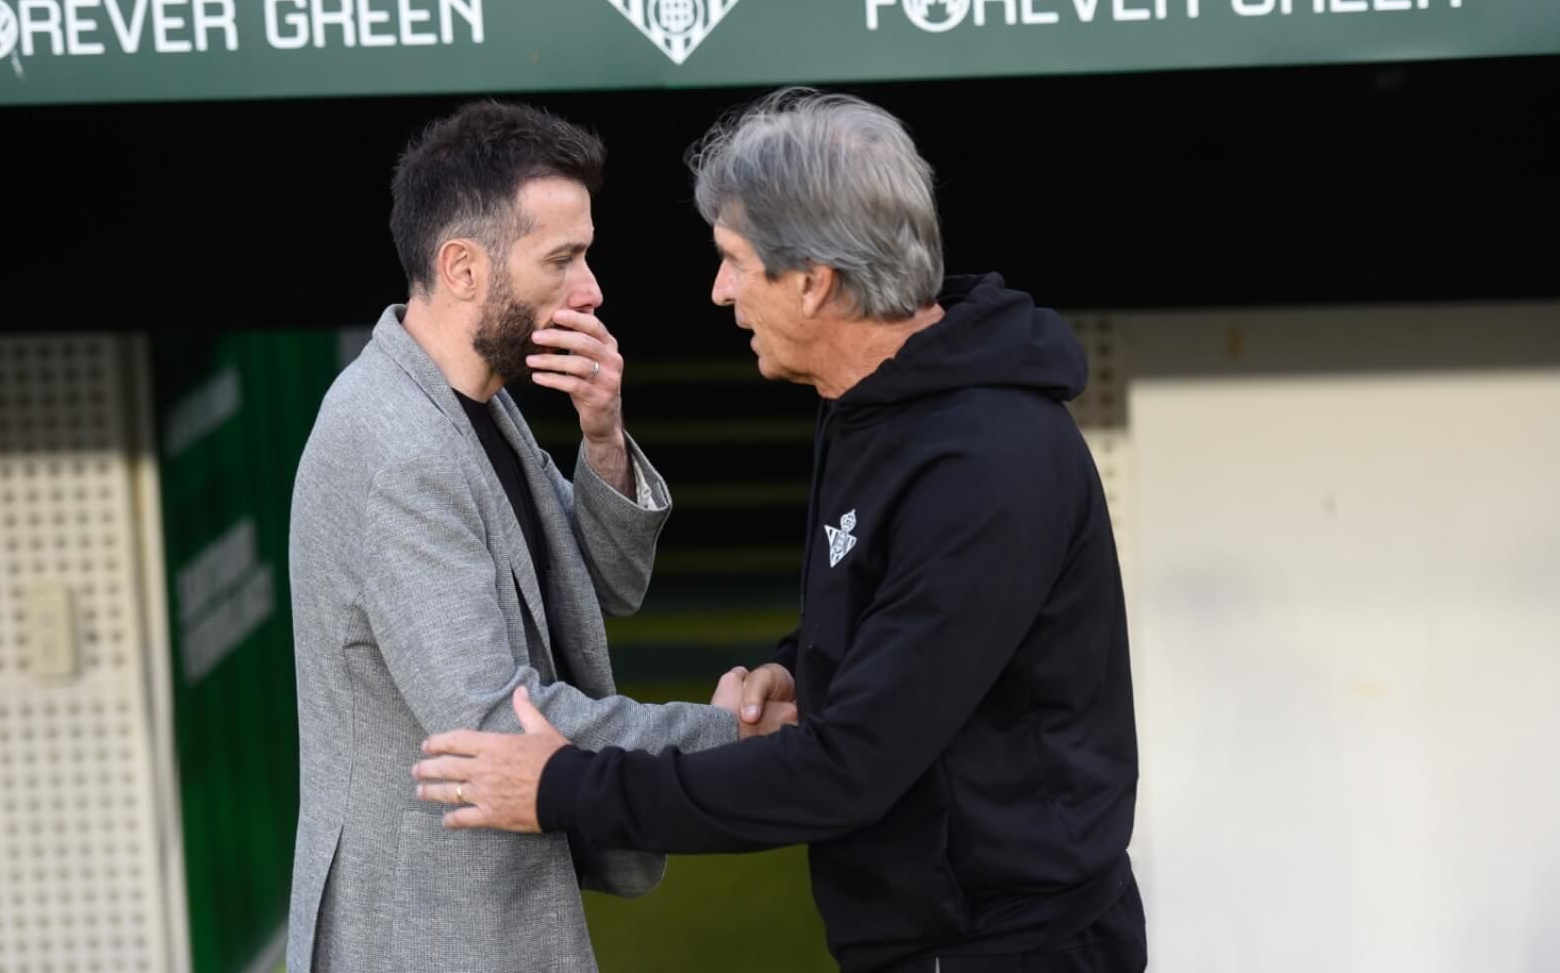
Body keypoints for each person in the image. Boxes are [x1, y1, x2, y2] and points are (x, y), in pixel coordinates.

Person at [412, 87, 1146, 972]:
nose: (719, 291)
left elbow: (846, 771)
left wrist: (562, 785)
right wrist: (799, 666)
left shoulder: (983, 469)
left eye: (734, 261)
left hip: (1004, 948)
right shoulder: (872, 406)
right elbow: (902, 614)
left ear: (813, 282)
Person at [285, 98, 792, 973]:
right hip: (425, 930)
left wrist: (601, 436)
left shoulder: (478, 402)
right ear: (463, 267)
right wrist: (720, 741)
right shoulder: (398, 449)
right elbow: (496, 720)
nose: (591, 289)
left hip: (467, 908)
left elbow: (600, 590)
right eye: (562, 259)